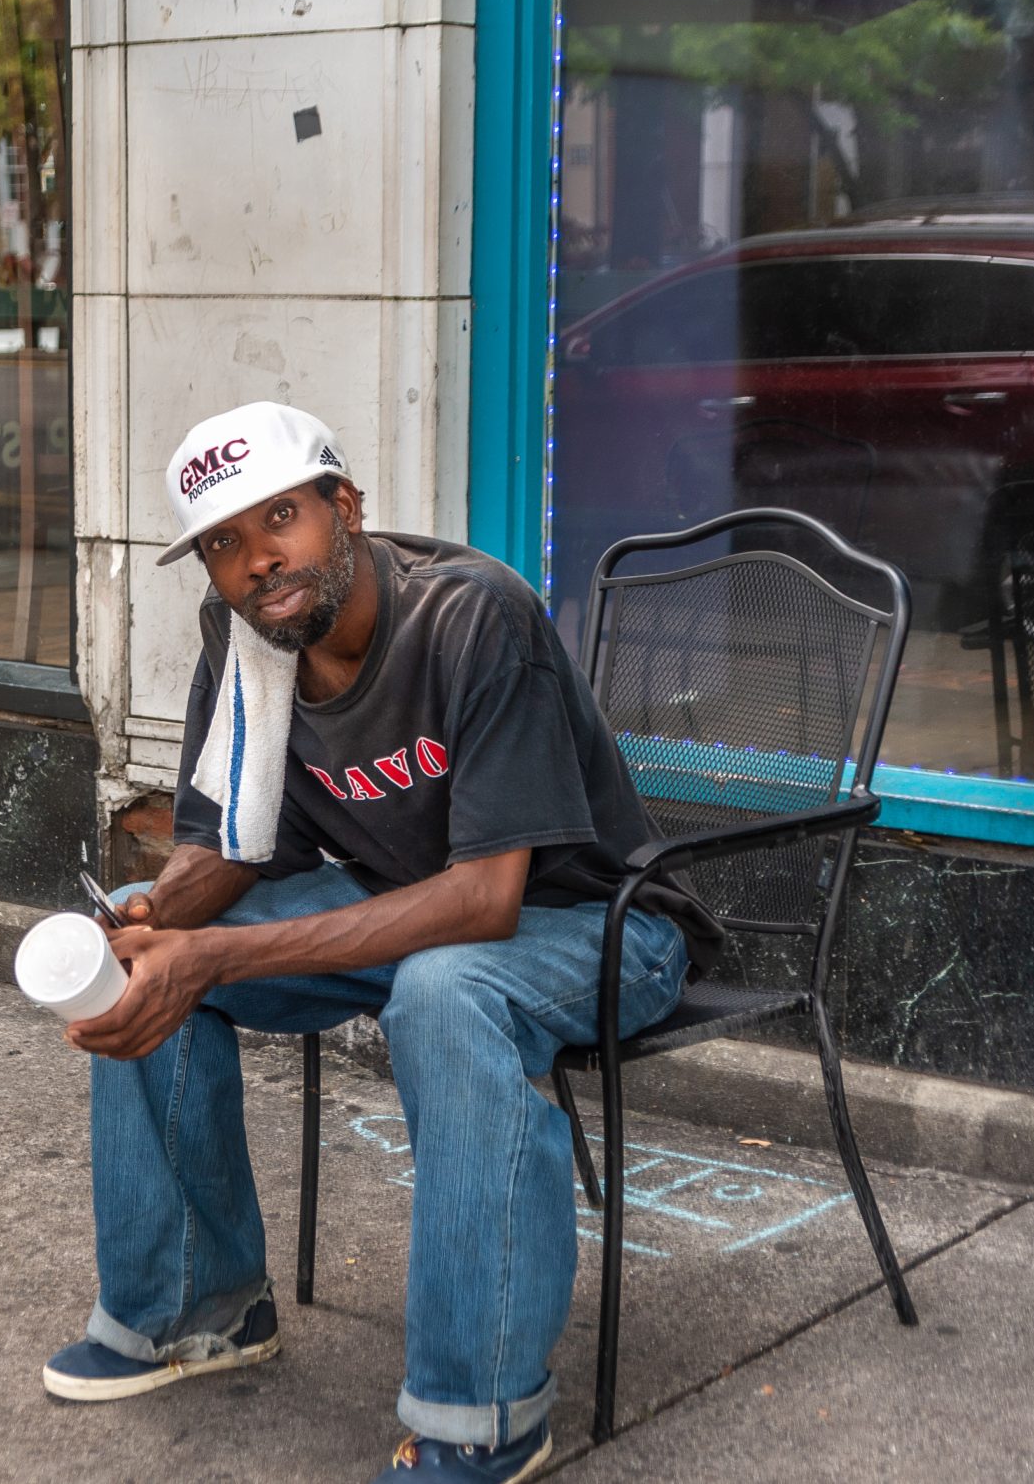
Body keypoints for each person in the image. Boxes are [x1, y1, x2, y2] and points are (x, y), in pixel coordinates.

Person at [43, 402, 722, 1482]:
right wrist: (155, 918)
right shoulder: (250, 638)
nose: (257, 561)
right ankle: (194, 1307)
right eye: (223, 542)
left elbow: (484, 902)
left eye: (280, 518)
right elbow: (231, 846)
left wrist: (214, 956)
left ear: (344, 506)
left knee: (443, 991)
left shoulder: (471, 616)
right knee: (145, 940)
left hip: (598, 922)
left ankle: (481, 1415)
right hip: (406, 903)